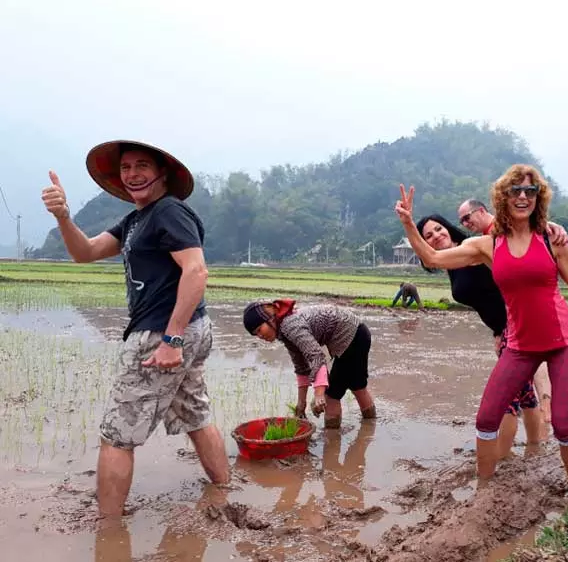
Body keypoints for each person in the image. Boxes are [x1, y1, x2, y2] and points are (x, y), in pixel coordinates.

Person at [395, 164, 568, 500]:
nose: (522, 197)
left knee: (565, 426)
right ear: (503, 197)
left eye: (530, 191)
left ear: (539, 197)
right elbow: (433, 257)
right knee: (486, 419)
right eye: (515, 191)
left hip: (562, 343)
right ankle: (484, 495)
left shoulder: (552, 239)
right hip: (519, 345)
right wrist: (409, 223)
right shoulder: (488, 245)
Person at [41, 140, 230, 518]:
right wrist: (63, 217)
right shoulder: (134, 221)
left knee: (116, 435)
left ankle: (108, 532)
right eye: (126, 168)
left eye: (142, 165)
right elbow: (86, 253)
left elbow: (196, 271)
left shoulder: (168, 212)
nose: (133, 174)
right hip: (185, 330)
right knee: (194, 413)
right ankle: (225, 491)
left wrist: (171, 340)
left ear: (162, 174)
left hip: (163, 334)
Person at [416, 213, 563, 457]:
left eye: (438, 229)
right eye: (428, 236)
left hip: (518, 328)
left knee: (507, 398)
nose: (436, 236)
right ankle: (536, 447)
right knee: (525, 395)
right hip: (505, 332)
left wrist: (546, 225)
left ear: (449, 228)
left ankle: (500, 457)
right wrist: (498, 331)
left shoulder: (471, 249)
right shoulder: (452, 265)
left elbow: (506, 237)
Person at [457, 199, 555, 421]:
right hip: (510, 319)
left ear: (481, 211)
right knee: (527, 375)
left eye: (467, 217)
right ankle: (540, 428)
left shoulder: (501, 229)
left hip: (526, 310)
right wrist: (498, 329)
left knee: (532, 364)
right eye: (462, 221)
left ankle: (547, 412)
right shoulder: (484, 241)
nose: (465, 223)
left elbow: (535, 227)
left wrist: (554, 226)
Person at [243, 300, 376, 429]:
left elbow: (316, 356)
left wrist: (319, 394)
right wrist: (301, 403)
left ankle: (331, 441)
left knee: (331, 396)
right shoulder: (283, 331)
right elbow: (301, 367)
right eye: (256, 334)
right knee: (358, 387)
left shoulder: (290, 326)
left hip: (351, 337)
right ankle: (370, 428)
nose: (260, 336)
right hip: (358, 333)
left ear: (270, 318)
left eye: (260, 329)